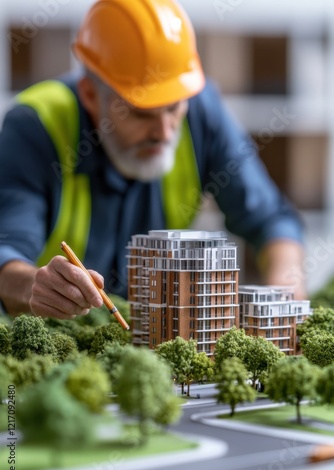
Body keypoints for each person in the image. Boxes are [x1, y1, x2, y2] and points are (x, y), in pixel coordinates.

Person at [0, 0, 306, 319]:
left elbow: (271, 220)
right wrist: (34, 286)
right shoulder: (37, 125)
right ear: (90, 95)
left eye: (174, 108)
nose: (163, 132)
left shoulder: (201, 109)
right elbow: (5, 258)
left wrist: (285, 289)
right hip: (56, 342)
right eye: (141, 112)